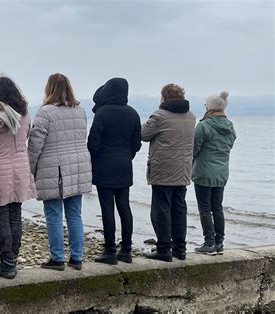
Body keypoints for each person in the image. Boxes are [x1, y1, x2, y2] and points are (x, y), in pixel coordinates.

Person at [28, 73, 92, 271]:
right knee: (75, 214)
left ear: (49, 89)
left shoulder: (45, 112)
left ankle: (57, 258)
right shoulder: (80, 111)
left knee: (54, 214)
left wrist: (30, 168)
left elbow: (35, 145)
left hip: (53, 169)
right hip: (79, 167)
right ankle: (77, 257)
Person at [0, 77, 37, 279]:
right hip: (20, 167)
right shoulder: (24, 114)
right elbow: (27, 137)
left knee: (1, 217)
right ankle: (13, 259)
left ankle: (7, 262)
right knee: (15, 215)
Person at [88, 78, 142, 264]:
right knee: (124, 207)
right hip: (125, 164)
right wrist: (127, 156)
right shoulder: (133, 114)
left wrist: (95, 159)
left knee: (107, 209)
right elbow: (137, 142)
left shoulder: (102, 113)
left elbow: (93, 142)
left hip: (104, 165)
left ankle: (110, 251)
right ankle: (126, 250)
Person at [141, 83, 196, 262]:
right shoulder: (191, 117)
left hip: (163, 170)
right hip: (183, 170)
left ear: (164, 97)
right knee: (179, 209)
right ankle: (180, 249)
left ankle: (164, 248)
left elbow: (143, 134)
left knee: (161, 210)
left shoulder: (160, 116)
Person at [192, 91, 236, 255]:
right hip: (222, 172)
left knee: (205, 209)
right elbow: (229, 146)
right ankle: (219, 243)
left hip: (203, 172)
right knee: (217, 208)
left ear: (209, 108)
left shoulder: (204, 126)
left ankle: (209, 242)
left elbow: (194, 149)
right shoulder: (230, 127)